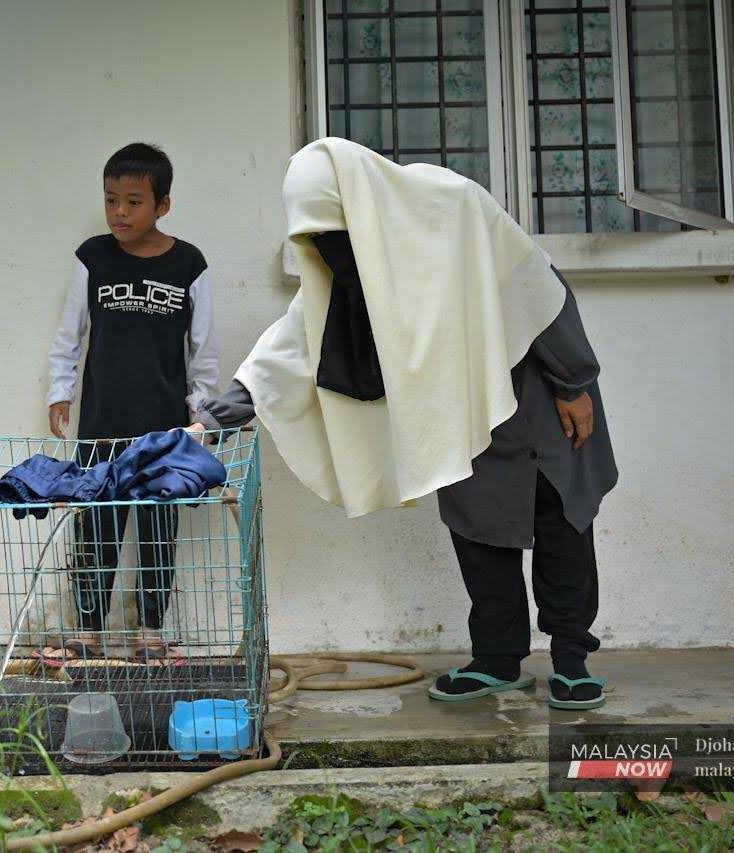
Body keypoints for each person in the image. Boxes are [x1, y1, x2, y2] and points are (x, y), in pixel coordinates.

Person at [191, 138, 617, 710]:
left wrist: (574, 382)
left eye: (335, 233)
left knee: (563, 528)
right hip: (464, 419)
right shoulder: (350, 272)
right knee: (481, 539)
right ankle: (496, 660)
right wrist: (213, 420)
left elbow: (536, 286)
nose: (330, 249)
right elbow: (292, 347)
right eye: (317, 238)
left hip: (541, 398)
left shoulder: (452, 204)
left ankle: (572, 658)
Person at [46, 142, 219, 662]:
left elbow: (203, 348)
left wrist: (200, 413)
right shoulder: (93, 257)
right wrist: (61, 391)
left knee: (156, 531)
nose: (119, 212)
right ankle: (90, 633)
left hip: (165, 430)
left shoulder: (190, 263)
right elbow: (69, 334)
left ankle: (149, 633)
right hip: (100, 423)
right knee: (94, 526)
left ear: (162, 204)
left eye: (133, 201)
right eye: (111, 200)